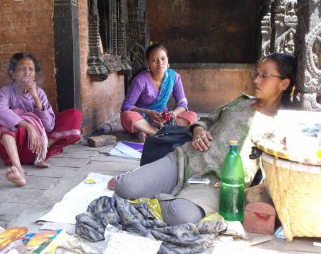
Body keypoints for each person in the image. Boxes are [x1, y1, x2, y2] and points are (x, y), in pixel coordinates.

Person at [110, 53, 297, 226]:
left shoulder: (284, 126)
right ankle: (157, 195)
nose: (256, 80)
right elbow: (205, 121)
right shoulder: (241, 102)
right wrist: (198, 130)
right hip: (185, 159)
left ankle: (164, 199)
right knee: (124, 187)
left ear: (284, 84)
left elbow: (276, 173)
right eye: (257, 74)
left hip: (216, 183)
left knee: (181, 215)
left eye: (265, 76)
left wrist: (243, 189)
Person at [0, 52, 82, 187]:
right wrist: (28, 126)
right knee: (6, 124)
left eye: (31, 69)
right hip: (17, 147)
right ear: (13, 74)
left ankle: (41, 154)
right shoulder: (6, 91)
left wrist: (35, 96)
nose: (27, 73)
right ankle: (19, 170)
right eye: (22, 69)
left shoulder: (39, 92)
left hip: (38, 145)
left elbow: (49, 126)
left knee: (74, 114)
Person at [121, 43, 197, 142]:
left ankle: (146, 132)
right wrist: (148, 112)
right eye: (154, 60)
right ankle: (156, 132)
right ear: (148, 63)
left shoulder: (174, 77)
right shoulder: (140, 80)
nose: (160, 63)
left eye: (163, 59)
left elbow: (182, 104)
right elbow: (126, 106)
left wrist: (172, 114)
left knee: (192, 116)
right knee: (126, 116)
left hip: (164, 119)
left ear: (167, 59)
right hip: (142, 118)